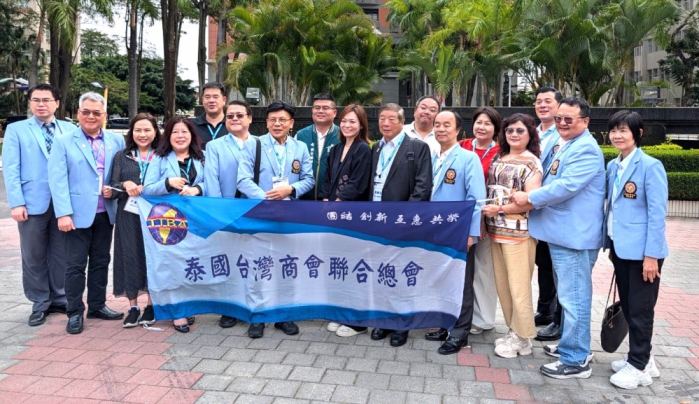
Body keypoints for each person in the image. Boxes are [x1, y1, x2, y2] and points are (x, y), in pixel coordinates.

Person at [512, 97, 605, 379]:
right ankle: (574, 346)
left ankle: (575, 359)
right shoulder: (563, 142)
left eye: (569, 119)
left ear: (585, 121)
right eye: (559, 118)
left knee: (574, 298)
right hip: (561, 233)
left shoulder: (585, 148)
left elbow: (565, 186)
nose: (562, 123)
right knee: (569, 296)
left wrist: (529, 198)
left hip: (573, 237)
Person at [48, 92, 126, 334]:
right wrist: (63, 213)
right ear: (78, 113)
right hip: (75, 215)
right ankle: (74, 312)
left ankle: (97, 305)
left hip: (106, 212)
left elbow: (122, 174)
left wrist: (116, 190)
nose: (91, 116)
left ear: (104, 115)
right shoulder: (63, 141)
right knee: (75, 265)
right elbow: (58, 180)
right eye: (86, 112)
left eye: (96, 112)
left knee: (101, 261)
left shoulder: (116, 141)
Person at [237, 100, 314, 338]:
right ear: (266, 122)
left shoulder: (300, 147)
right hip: (260, 213)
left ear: (291, 123)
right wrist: (267, 199)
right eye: (272, 119)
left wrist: (290, 190)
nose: (277, 124)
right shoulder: (254, 144)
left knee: (287, 264)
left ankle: (284, 315)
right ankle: (258, 315)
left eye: (282, 120)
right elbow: (243, 180)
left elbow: (309, 179)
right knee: (258, 264)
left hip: (289, 215)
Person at [603, 110, 667, 389]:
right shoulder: (612, 166)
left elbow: (657, 214)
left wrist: (651, 256)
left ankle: (638, 365)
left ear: (637, 134)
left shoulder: (650, 166)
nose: (617, 135)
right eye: (614, 130)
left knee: (641, 310)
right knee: (629, 307)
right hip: (620, 249)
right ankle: (645, 358)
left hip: (644, 254)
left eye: (623, 130)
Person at [3, 83, 73, 326]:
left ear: (57, 103)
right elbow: (11, 168)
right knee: (33, 255)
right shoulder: (16, 130)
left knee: (61, 253)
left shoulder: (69, 129)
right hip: (31, 203)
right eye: (36, 100)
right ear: (30, 103)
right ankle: (40, 302)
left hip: (63, 203)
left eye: (46, 100)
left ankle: (60, 298)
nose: (41, 104)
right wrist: (16, 203)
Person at [369, 103, 432, 347]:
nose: (385, 123)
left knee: (403, 273)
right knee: (382, 271)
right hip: (377, 220)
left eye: (391, 119)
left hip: (402, 222)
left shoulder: (417, 147)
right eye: (382, 119)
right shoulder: (376, 148)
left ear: (401, 122)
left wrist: (405, 220)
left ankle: (402, 324)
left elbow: (422, 187)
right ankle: (385, 320)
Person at [480, 114, 542, 358]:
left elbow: (532, 201)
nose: (514, 134)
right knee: (504, 286)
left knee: (519, 288)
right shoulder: (500, 156)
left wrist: (500, 209)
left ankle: (523, 336)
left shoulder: (532, 163)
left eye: (520, 130)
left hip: (519, 234)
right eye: (509, 130)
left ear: (530, 134)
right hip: (496, 231)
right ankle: (513, 332)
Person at [425, 110, 485, 355]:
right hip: (433, 230)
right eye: (437, 124)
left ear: (458, 130)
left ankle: (460, 332)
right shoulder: (430, 157)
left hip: (457, 230)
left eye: (446, 125)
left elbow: (476, 199)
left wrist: (470, 233)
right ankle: (445, 324)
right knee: (440, 279)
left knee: (461, 282)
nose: (441, 129)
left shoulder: (468, 158)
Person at [143, 116, 206, 333]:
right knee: (172, 265)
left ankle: (188, 305)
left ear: (192, 135)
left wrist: (198, 189)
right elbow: (147, 188)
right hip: (170, 223)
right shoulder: (160, 159)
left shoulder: (201, 158)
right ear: (168, 136)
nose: (180, 136)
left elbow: (211, 183)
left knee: (190, 263)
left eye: (184, 132)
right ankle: (177, 311)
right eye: (175, 132)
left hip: (195, 222)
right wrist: (168, 183)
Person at [319, 104, 372, 338]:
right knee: (337, 264)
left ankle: (358, 320)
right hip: (332, 216)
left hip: (351, 217)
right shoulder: (336, 148)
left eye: (353, 121)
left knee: (354, 265)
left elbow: (357, 183)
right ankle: (341, 312)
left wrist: (337, 202)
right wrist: (325, 201)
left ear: (361, 125)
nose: (347, 125)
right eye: (344, 120)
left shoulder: (364, 149)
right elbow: (327, 179)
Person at [204, 100, 257, 329]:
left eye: (239, 115)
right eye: (230, 116)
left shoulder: (261, 144)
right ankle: (229, 308)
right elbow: (211, 180)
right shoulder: (215, 146)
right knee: (228, 261)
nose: (234, 119)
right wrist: (219, 213)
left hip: (255, 211)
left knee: (253, 260)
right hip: (227, 212)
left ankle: (253, 305)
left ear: (250, 118)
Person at [109, 113, 160, 327]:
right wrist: (124, 184)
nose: (142, 134)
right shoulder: (122, 156)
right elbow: (113, 185)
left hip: (156, 215)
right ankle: (133, 307)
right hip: (128, 216)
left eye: (147, 129)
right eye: (138, 130)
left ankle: (151, 305)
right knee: (130, 256)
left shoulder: (162, 155)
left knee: (153, 257)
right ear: (132, 133)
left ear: (155, 132)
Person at [457, 107, 501, 335]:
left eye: (487, 123)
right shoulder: (461, 146)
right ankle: (458, 313)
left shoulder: (501, 152)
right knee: (460, 269)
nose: (482, 127)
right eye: (478, 122)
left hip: (489, 217)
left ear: (495, 128)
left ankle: (482, 319)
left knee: (484, 268)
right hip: (460, 217)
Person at [533, 87, 564, 342]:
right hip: (535, 211)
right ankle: (545, 309)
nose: (542, 105)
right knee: (542, 262)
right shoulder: (532, 132)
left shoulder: (563, 134)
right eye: (538, 101)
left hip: (554, 209)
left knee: (559, 267)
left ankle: (559, 318)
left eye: (548, 101)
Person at [295, 93, 340, 200]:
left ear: (334, 112)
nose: (320, 111)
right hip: (303, 199)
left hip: (331, 200)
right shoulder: (301, 135)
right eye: (317, 107)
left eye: (325, 108)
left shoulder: (342, 136)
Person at [190, 82, 228, 149]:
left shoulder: (232, 125)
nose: (211, 100)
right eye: (207, 97)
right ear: (203, 100)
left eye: (215, 97)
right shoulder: (191, 125)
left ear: (224, 100)